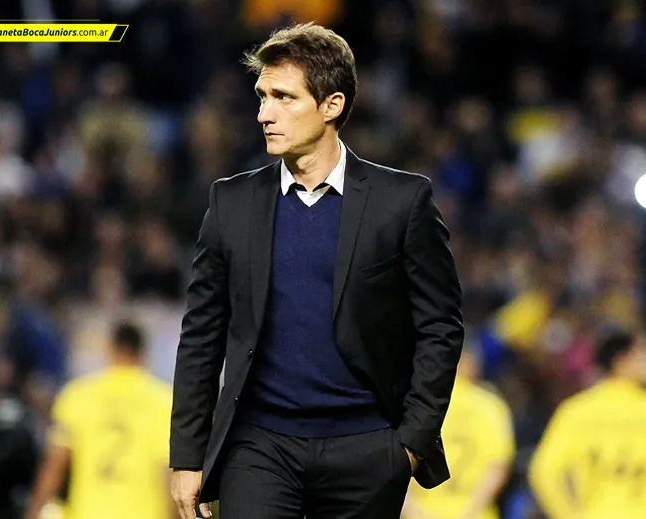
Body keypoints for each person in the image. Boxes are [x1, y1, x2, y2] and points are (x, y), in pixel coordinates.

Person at [169, 22, 465, 519]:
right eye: (263, 97)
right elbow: (201, 335)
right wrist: (186, 457)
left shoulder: (402, 201)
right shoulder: (230, 202)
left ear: (332, 105)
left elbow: (440, 326)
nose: (264, 114)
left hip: (367, 448)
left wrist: (409, 445)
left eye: (284, 98)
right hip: (258, 447)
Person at [529, 329, 646, 519]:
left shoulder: (576, 411)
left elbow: (543, 470)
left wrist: (568, 515)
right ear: (622, 361)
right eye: (642, 354)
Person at [24, 321, 174, 519]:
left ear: (110, 349)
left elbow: (54, 466)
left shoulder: (77, 395)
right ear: (143, 353)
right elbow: (168, 474)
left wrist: (32, 512)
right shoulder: (164, 401)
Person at [402, 345, 514, 519]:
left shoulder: (409, 407)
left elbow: (392, 469)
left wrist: (415, 513)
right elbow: (498, 468)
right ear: (470, 363)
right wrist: (468, 513)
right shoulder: (489, 406)